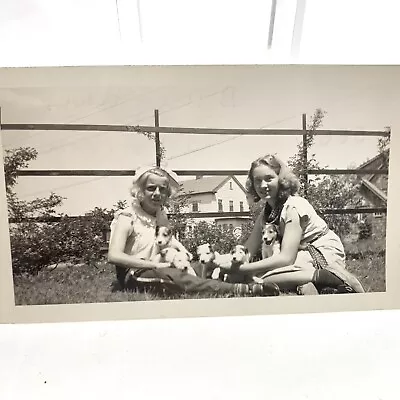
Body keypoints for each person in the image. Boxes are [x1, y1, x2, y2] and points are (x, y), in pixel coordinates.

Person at [107, 165, 280, 297]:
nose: (157, 193)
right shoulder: (127, 216)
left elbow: (168, 246)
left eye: (162, 189)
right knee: (173, 277)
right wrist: (154, 265)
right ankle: (239, 289)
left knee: (194, 269)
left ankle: (224, 282)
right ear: (140, 191)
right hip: (135, 272)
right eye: (151, 188)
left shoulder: (161, 215)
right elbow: (114, 256)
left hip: (162, 263)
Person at [220, 154, 365, 295]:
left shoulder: (292, 207)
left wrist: (244, 269)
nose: (263, 185)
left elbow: (286, 258)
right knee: (255, 275)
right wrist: (222, 261)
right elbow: (247, 250)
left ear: (281, 179)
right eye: (257, 180)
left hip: (321, 250)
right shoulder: (266, 213)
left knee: (265, 278)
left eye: (269, 178)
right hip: (301, 255)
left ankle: (330, 277)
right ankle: (313, 285)